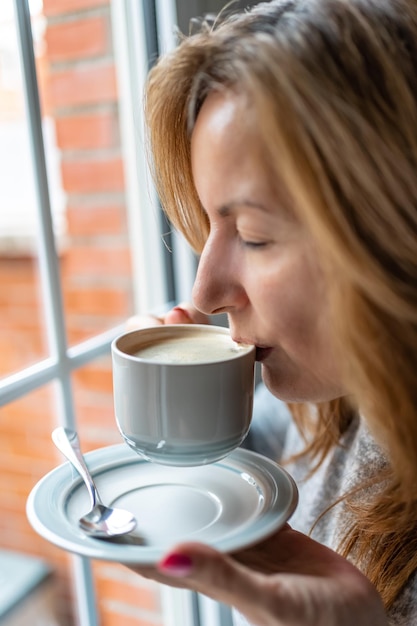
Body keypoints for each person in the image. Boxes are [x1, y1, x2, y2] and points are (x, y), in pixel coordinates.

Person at [128, 0, 417, 624]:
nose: (204, 292)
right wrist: (185, 415)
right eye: (210, 225)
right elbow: (269, 439)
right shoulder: (338, 402)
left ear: (396, 231)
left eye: (254, 235)